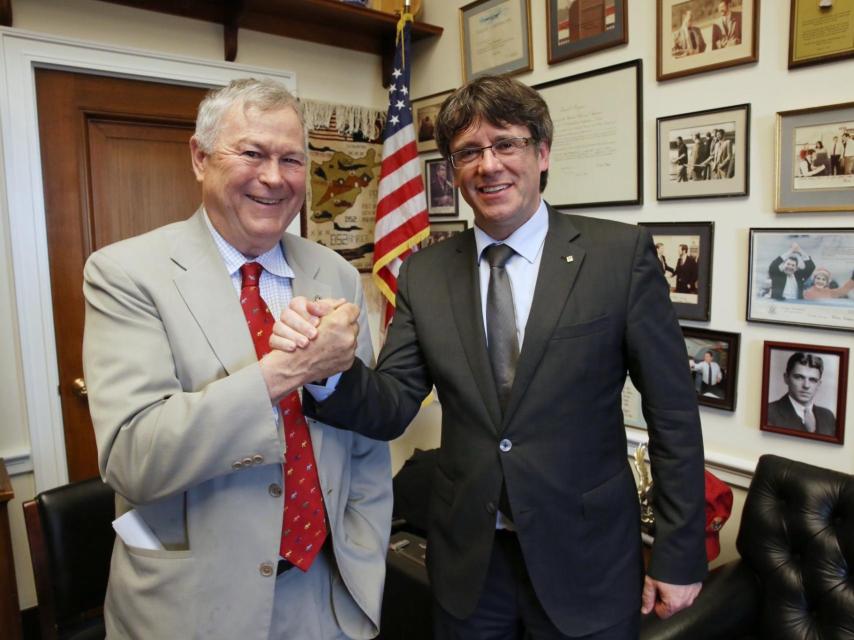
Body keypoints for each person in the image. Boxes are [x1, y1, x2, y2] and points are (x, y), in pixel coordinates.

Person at [276, 75, 707, 639]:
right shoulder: (426, 272)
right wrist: (328, 368)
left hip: (587, 561)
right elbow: (393, 403)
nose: (489, 165)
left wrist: (678, 554)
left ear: (542, 152)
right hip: (469, 565)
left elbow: (673, 412)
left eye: (506, 144)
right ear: (453, 170)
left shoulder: (617, 256)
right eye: (469, 153)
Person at [82, 78, 392, 639]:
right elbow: (133, 456)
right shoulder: (126, 275)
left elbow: (363, 442)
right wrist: (291, 370)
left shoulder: (337, 274)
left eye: (291, 159)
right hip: (195, 608)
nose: (274, 177)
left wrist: (362, 547)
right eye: (252, 153)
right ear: (200, 158)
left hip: (326, 596)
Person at [766, 352, 836, 435]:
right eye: (799, 377)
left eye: (812, 380)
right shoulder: (768, 412)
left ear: (818, 384)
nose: (806, 385)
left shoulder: (828, 416)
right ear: (786, 378)